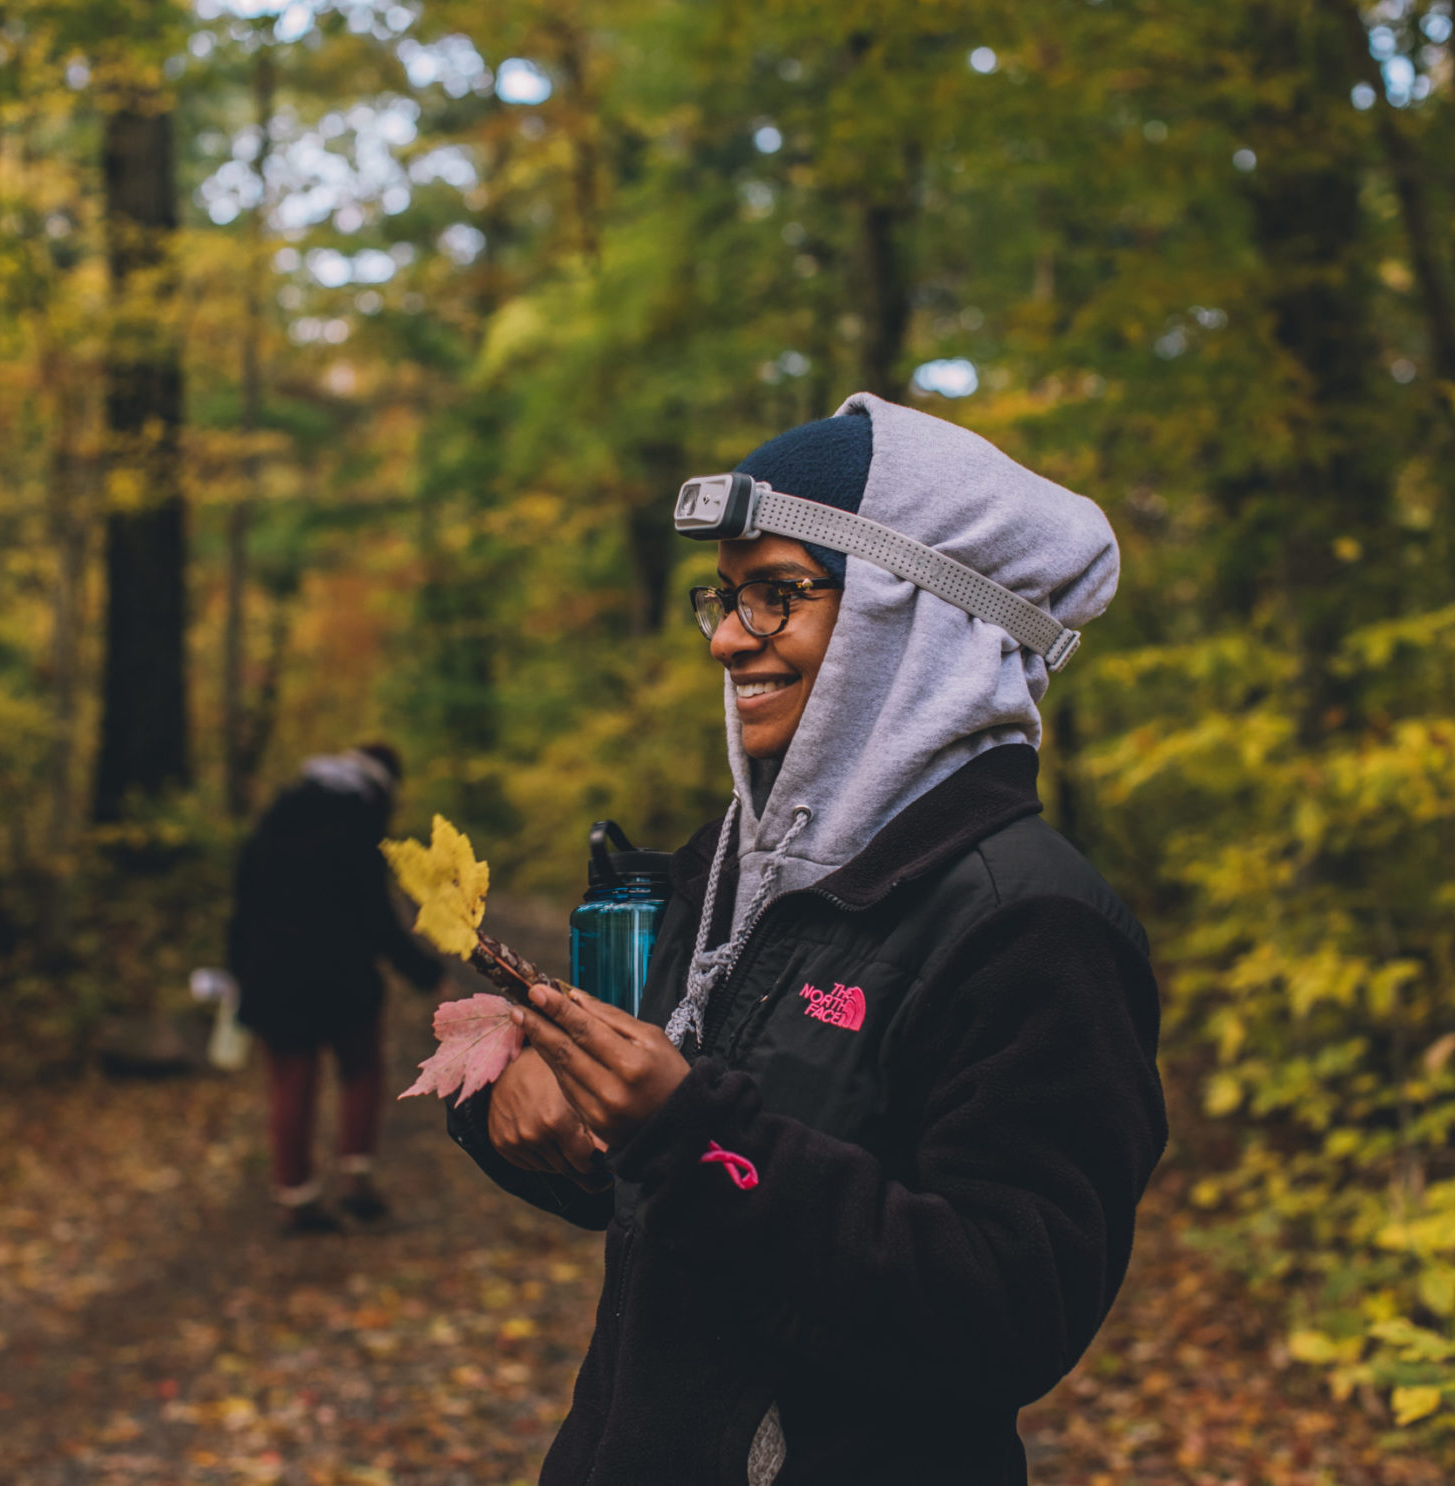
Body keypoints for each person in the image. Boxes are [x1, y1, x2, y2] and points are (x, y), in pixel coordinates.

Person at [446, 395, 1167, 1484]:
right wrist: (501, 1084)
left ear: (913, 619)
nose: (729, 637)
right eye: (726, 598)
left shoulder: (1034, 922)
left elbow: (1014, 1312)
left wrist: (692, 1136)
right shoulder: (737, 869)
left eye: (779, 594)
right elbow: (642, 1186)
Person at [229, 743, 442, 1233]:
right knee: (361, 1069)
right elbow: (376, 915)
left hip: (271, 976)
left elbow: (242, 903)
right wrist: (422, 971)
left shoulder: (278, 814)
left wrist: (236, 973)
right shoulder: (359, 820)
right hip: (341, 977)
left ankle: (294, 1196)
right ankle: (357, 1180)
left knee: (290, 1082)